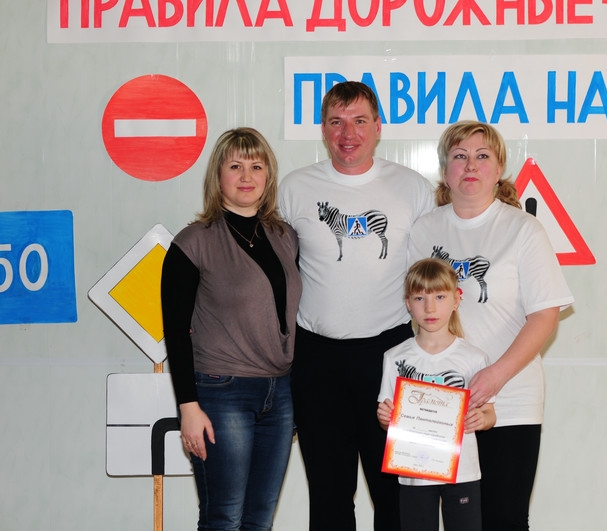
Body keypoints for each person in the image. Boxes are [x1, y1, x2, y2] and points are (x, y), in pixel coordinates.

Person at [278, 81, 435, 531]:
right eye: (337, 122)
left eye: (360, 121)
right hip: (316, 360)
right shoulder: (295, 188)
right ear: (323, 129)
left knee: (396, 494)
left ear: (378, 127)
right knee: (328, 496)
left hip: (391, 356)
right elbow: (273, 271)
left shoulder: (413, 188)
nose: (348, 134)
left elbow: (434, 277)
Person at [408, 120, 575, 531]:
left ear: (499, 169)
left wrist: (494, 377)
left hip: (510, 401)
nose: (470, 165)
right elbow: (414, 313)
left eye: (482, 156)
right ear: (445, 171)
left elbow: (545, 315)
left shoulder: (523, 229)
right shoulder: (425, 230)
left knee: (504, 518)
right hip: (441, 402)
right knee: (445, 521)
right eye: (459, 156)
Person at [161, 127, 302, 531]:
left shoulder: (285, 237)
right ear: (217, 176)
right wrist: (188, 407)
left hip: (280, 395)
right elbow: (175, 330)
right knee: (224, 517)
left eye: (256, 166)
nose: (246, 176)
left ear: (268, 176)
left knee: (259, 519)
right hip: (222, 393)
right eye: (235, 166)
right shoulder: (193, 242)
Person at [377, 258, 496, 531]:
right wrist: (385, 418)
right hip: (414, 473)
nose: (430, 308)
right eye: (420, 298)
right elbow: (388, 421)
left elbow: (490, 413)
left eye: (439, 297)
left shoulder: (474, 358)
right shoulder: (394, 357)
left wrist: (481, 419)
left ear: (456, 300)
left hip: (462, 472)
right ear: (408, 303)